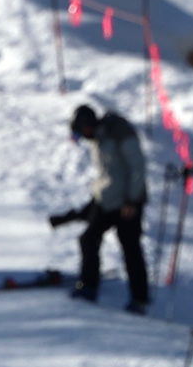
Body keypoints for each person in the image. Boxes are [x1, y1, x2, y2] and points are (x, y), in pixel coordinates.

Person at [50, 104, 150, 314]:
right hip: (108, 200)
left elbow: (137, 167)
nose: (83, 137)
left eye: (81, 131)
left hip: (128, 203)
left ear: (88, 124)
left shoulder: (119, 132)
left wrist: (132, 200)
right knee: (88, 239)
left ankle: (139, 299)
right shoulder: (97, 139)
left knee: (130, 248)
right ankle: (88, 287)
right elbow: (107, 175)